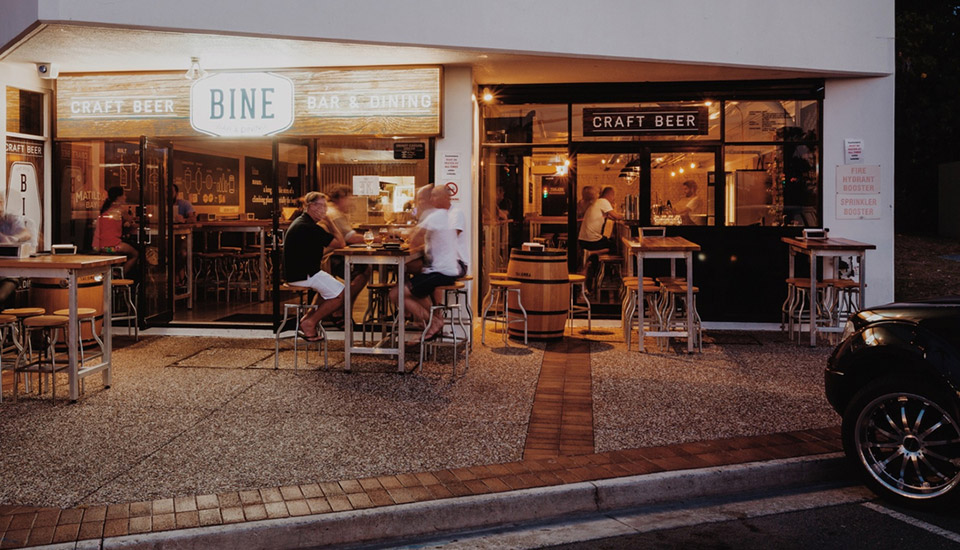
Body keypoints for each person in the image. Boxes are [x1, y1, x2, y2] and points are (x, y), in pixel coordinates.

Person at [390, 186, 460, 343]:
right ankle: (431, 319)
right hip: (445, 270)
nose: (430, 200)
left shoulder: (435, 216)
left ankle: (433, 323)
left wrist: (397, 234)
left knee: (396, 294)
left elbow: (414, 239)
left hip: (440, 272)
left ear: (441, 199)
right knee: (415, 292)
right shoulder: (445, 215)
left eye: (434, 196)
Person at [283, 192, 347, 341]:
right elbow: (340, 243)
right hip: (304, 274)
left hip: (297, 272)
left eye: (326, 207)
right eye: (322, 206)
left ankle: (308, 319)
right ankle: (310, 322)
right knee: (340, 294)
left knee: (327, 290)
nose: (325, 210)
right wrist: (330, 222)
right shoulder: (309, 227)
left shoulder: (302, 222)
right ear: (311, 206)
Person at [326, 185, 371, 299]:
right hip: (329, 258)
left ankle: (342, 307)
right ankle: (342, 306)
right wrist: (379, 238)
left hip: (329, 256)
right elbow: (351, 238)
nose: (351, 203)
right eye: (350, 199)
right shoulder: (335, 214)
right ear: (341, 198)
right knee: (363, 272)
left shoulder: (332, 211)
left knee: (363, 269)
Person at [577, 186, 622, 290]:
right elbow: (615, 216)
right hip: (591, 240)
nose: (613, 199)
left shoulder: (598, 203)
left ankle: (589, 283)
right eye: (613, 196)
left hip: (584, 240)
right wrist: (628, 216)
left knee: (594, 261)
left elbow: (610, 216)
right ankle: (592, 254)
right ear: (610, 194)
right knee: (614, 246)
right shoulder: (603, 201)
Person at [92, 186, 138, 274]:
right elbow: (131, 222)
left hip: (102, 247)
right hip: (114, 247)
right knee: (135, 254)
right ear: (118, 197)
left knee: (120, 256)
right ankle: (119, 276)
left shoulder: (104, 209)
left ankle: (113, 273)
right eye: (124, 195)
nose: (125, 197)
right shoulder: (120, 210)